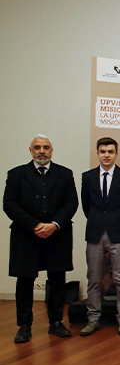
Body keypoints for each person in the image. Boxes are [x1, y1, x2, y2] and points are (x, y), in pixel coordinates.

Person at [4, 134, 78, 343]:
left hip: (57, 234)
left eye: (46, 147)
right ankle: (24, 326)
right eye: (37, 147)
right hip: (26, 235)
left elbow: (71, 203)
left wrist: (53, 225)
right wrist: (35, 225)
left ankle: (55, 322)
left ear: (52, 150)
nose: (42, 151)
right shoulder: (16, 174)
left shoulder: (64, 174)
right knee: (25, 281)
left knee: (57, 280)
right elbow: (9, 204)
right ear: (31, 151)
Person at [81, 137, 120, 336]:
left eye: (110, 151)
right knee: (94, 279)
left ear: (116, 153)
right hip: (95, 233)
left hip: (119, 233)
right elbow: (86, 206)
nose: (106, 155)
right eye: (103, 151)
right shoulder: (87, 177)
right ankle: (93, 319)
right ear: (97, 153)